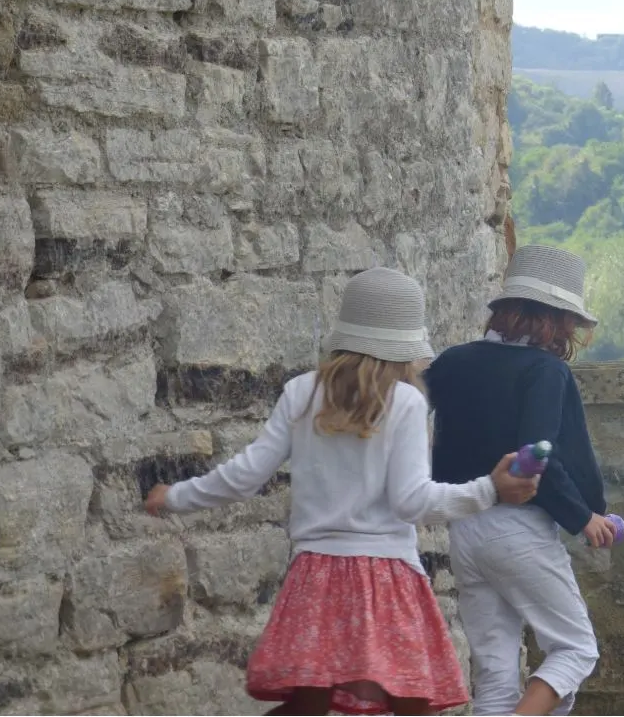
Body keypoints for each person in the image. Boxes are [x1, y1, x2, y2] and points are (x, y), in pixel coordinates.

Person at [144, 267, 541, 716]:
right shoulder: (406, 402)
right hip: (387, 579)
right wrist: (490, 489)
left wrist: (174, 496)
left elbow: (245, 475)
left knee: (308, 705)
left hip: (316, 575)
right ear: (405, 345)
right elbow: (412, 503)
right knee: (413, 703)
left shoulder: (300, 392)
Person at [424, 244, 613, 716]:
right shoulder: (545, 371)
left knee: (495, 677)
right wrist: (583, 516)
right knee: (575, 648)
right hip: (518, 528)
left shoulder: (452, 361)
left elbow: (406, 417)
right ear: (561, 319)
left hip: (466, 527)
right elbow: (537, 456)